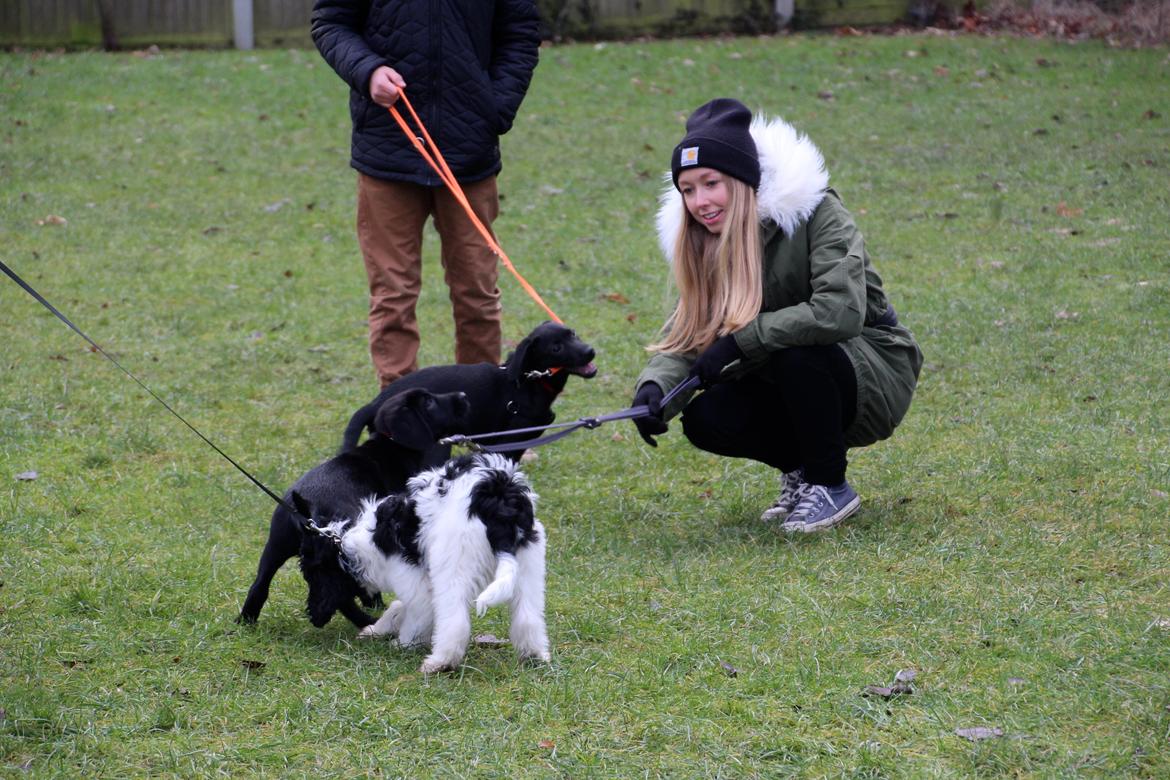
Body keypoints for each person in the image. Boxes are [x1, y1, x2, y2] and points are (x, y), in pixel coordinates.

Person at [631, 98, 923, 533]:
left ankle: (831, 486)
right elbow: (688, 334)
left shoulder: (817, 211)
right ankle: (803, 471)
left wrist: (740, 341)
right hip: (783, 375)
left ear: (742, 178)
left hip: (871, 368)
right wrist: (654, 392)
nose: (699, 202)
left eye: (711, 183)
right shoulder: (705, 241)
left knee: (797, 355)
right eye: (687, 189)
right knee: (706, 419)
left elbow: (838, 313)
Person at [311, 0, 542, 388]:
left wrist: (495, 107)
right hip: (387, 149)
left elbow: (520, 35)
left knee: (477, 294)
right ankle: (397, 417)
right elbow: (331, 23)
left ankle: (482, 419)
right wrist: (368, 72)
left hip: (468, 155)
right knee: (393, 296)